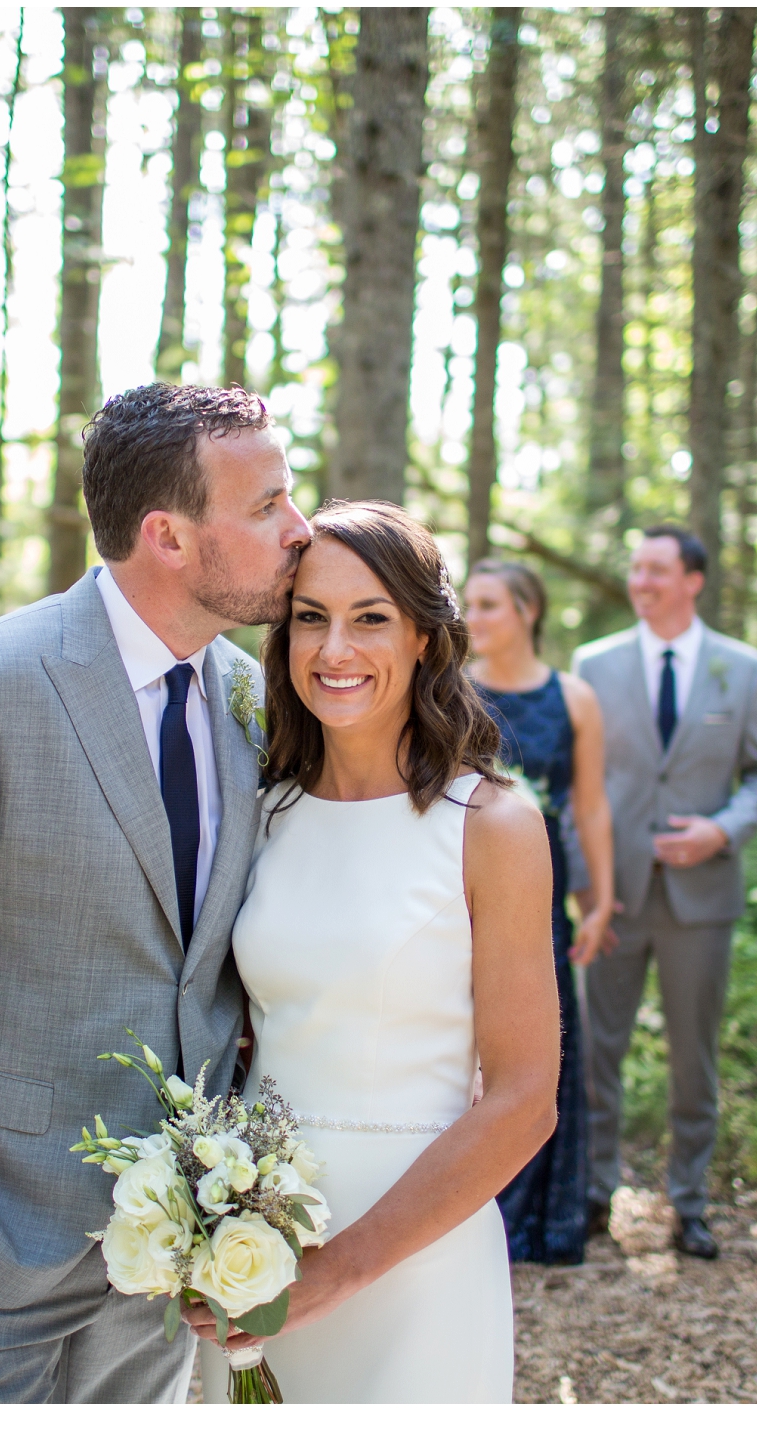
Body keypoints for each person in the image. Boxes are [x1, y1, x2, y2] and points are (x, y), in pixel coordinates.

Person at [0, 384, 311, 1403]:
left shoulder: (249, 699)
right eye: (267, 504)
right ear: (168, 536)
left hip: (162, 1261)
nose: (298, 530)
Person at [195, 500, 558, 1403]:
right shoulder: (258, 812)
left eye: (370, 619)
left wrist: (338, 1270)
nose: (333, 650)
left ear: (426, 640)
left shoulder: (490, 826)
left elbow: (522, 1102)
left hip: (414, 1255)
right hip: (254, 1242)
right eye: (309, 618)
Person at [573, 525, 757, 1259]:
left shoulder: (743, 668)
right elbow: (578, 784)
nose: (642, 581)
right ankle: (595, 1191)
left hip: (702, 893)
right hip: (614, 893)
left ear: (692, 580)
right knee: (599, 1050)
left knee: (693, 1057)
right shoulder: (592, 665)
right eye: (634, 569)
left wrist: (720, 830)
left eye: (657, 570)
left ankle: (687, 1202)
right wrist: (583, 882)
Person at [463, 558, 616, 1266]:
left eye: (488, 604)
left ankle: (541, 1221)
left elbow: (588, 806)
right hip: (464, 873)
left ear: (527, 609)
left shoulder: (574, 697)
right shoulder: (453, 689)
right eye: (469, 604)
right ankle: (465, 1207)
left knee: (539, 1032)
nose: (474, 617)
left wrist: (599, 898)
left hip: (545, 878)